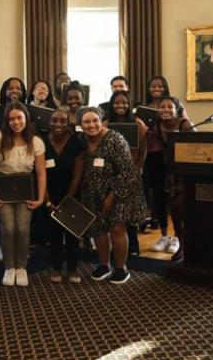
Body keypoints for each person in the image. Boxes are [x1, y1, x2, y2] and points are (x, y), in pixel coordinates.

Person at [77, 107, 146, 284]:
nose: (91, 125)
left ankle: (121, 268)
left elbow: (127, 171)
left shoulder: (115, 139)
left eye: (95, 121)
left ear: (101, 121)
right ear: (80, 125)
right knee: (98, 228)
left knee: (117, 227)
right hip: (93, 191)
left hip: (121, 190)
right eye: (86, 122)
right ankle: (104, 265)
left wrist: (111, 196)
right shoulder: (81, 140)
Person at [0, 102, 46, 287]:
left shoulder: (35, 141)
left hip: (26, 190)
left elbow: (41, 172)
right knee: (7, 230)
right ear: (7, 121)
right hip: (3, 191)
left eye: (19, 117)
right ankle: (9, 267)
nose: (16, 121)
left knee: (22, 230)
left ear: (25, 118)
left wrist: (41, 198)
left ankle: (21, 267)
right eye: (11, 118)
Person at [104, 90, 148, 256]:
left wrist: (137, 169)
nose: (120, 106)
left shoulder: (138, 124)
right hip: (112, 176)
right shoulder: (106, 124)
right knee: (114, 213)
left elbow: (143, 150)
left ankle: (133, 247)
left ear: (129, 105)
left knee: (128, 212)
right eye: (116, 103)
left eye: (124, 102)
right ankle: (115, 248)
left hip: (132, 174)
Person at [143, 75, 186, 242]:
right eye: (153, 86)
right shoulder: (143, 109)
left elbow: (187, 128)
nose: (156, 89)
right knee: (158, 197)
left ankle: (178, 238)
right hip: (154, 158)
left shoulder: (175, 105)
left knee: (175, 200)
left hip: (174, 159)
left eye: (160, 86)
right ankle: (164, 235)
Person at [44, 109, 84, 283]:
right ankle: (56, 267)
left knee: (71, 233)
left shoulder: (77, 144)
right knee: (53, 232)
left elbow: (77, 175)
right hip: (48, 194)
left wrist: (68, 200)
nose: (58, 124)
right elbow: (40, 174)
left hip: (72, 193)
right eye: (54, 120)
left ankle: (73, 268)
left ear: (69, 124)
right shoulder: (42, 143)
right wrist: (47, 200)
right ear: (49, 122)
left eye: (62, 121)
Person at [155, 97, 196, 262]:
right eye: (162, 107)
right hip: (171, 174)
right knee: (175, 212)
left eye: (169, 107)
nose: (165, 110)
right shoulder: (157, 128)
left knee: (187, 211)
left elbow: (199, 147)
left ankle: (193, 247)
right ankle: (182, 246)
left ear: (177, 109)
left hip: (188, 173)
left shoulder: (185, 125)